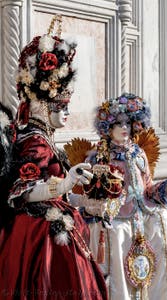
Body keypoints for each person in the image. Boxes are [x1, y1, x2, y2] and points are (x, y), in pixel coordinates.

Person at [0, 15, 108, 300]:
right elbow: (21, 192)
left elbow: (57, 189)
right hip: (37, 234)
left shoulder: (45, 138)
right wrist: (65, 183)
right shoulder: (35, 142)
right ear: (42, 106)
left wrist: (84, 199)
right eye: (62, 106)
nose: (68, 114)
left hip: (52, 221)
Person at [68, 93, 167, 300]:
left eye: (128, 123)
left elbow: (148, 189)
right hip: (114, 217)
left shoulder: (138, 153)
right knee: (115, 235)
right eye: (118, 123)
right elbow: (92, 193)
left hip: (143, 212)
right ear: (108, 127)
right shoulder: (99, 156)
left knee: (163, 222)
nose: (124, 128)